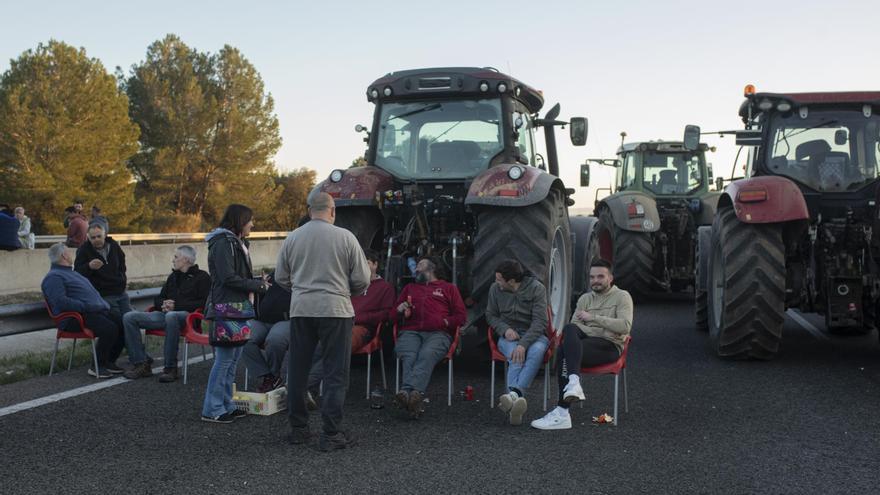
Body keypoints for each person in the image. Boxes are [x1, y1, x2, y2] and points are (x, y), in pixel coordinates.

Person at [275, 191, 370, 451]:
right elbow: (362, 278)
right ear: (333, 211)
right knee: (335, 373)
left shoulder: (293, 238)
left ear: (308, 210)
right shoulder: (345, 237)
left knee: (298, 370)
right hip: (335, 310)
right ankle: (331, 433)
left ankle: (299, 430)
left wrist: (301, 290)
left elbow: (281, 277)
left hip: (302, 309)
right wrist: (344, 290)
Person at [531, 258, 633, 430]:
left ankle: (562, 411)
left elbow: (624, 326)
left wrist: (593, 319)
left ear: (610, 278)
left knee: (565, 349)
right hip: (585, 345)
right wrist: (604, 329)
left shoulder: (622, 297)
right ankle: (573, 384)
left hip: (609, 347)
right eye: (592, 277)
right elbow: (574, 327)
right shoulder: (585, 299)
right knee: (569, 330)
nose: (595, 281)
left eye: (600, 277)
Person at [201, 204, 269, 424]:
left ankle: (227, 405)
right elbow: (227, 277)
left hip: (237, 308)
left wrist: (255, 283)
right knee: (223, 360)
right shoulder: (223, 243)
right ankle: (212, 409)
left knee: (233, 360)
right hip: (226, 307)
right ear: (240, 220)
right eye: (250, 220)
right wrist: (257, 285)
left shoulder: (235, 242)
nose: (252, 224)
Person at [304, 248, 396, 400]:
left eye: (366, 263)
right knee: (316, 347)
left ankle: (303, 387)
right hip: (339, 323)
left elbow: (386, 314)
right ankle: (308, 391)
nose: (361, 266)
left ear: (375, 265)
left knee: (336, 350)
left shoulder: (384, 287)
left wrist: (359, 317)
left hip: (362, 329)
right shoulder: (349, 285)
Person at [390, 257, 466, 419]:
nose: (416, 269)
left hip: (439, 333)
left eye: (420, 266)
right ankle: (415, 396)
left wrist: (445, 321)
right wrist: (399, 309)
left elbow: (461, 316)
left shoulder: (448, 288)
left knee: (426, 354)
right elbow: (392, 317)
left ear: (432, 268)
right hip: (411, 331)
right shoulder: (409, 288)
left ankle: (406, 391)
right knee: (409, 355)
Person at [122, 245, 210, 381]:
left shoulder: (202, 277)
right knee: (129, 317)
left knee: (171, 316)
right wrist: (163, 304)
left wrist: (176, 306)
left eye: (176, 257)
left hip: (188, 318)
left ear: (186, 259)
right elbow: (158, 298)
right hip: (166, 315)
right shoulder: (173, 277)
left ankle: (170, 368)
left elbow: (204, 304)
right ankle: (141, 364)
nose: (173, 260)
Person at [41, 243, 125, 377]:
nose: (71, 254)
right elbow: (60, 302)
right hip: (73, 318)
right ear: (64, 255)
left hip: (91, 312)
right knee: (109, 328)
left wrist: (101, 304)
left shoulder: (72, 273)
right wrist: (86, 306)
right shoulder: (54, 277)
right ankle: (97, 366)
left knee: (123, 323)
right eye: (69, 252)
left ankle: (109, 361)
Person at [485, 259, 549, 426]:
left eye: (499, 279)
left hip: (534, 335)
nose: (496, 282)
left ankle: (513, 397)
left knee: (536, 351)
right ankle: (516, 398)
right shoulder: (495, 290)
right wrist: (504, 329)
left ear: (511, 281)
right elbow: (490, 315)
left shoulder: (537, 289)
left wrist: (524, 343)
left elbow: (540, 322)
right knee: (515, 356)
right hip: (508, 336)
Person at [242, 271, 293, 393]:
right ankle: (268, 376)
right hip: (262, 320)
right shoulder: (273, 274)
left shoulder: (301, 274)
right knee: (243, 336)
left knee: (274, 340)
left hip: (286, 320)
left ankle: (274, 374)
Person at [74, 222, 131, 320]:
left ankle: (129, 336)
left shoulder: (113, 245)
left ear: (104, 235)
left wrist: (122, 279)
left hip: (120, 291)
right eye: (93, 237)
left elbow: (122, 264)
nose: (96, 239)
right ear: (88, 238)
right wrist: (89, 266)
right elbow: (77, 273)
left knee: (130, 318)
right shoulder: (84, 250)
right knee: (118, 319)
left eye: (99, 236)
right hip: (103, 294)